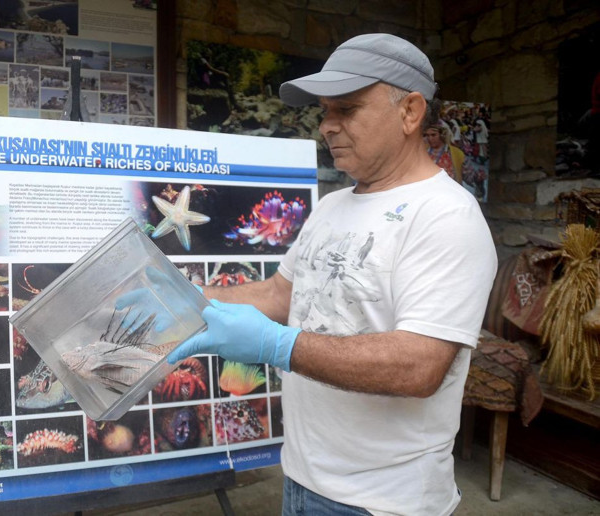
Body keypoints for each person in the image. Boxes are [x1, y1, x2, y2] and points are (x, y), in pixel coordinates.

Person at [167, 33, 497, 515]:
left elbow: (420, 364)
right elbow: (281, 295)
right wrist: (187, 296)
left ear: (409, 111)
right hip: (301, 479)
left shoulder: (447, 217)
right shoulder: (334, 206)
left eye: (346, 109)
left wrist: (278, 346)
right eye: (325, 111)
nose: (327, 126)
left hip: (385, 502)